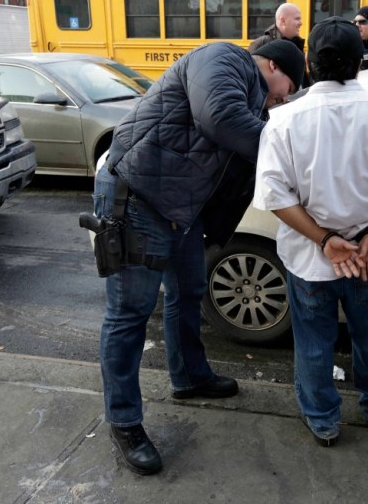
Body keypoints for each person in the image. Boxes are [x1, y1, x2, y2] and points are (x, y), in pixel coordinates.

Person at [91, 40, 305, 475]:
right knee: (129, 313)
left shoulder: (254, 102)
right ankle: (124, 421)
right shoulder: (223, 58)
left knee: (189, 289)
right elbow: (219, 117)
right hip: (137, 193)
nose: (283, 99)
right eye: (289, 88)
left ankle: (189, 376)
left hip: (178, 207)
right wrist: (292, 153)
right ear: (272, 65)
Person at [253, 17, 368, 447]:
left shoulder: (283, 120)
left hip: (310, 258)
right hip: (366, 255)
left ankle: (322, 419)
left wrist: (324, 240)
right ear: (359, 63)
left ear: (309, 64)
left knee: (314, 342)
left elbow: (275, 195)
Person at [249, 2, 311, 87]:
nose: (301, 23)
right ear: (283, 21)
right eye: (297, 19)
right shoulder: (261, 44)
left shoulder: (297, 45)